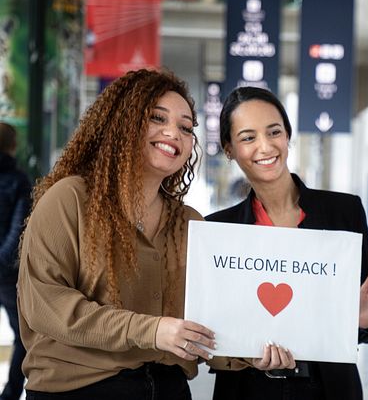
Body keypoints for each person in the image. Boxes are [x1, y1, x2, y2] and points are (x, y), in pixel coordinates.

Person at [17, 69, 218, 399]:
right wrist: (150, 330)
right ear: (124, 123)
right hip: (79, 388)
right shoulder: (71, 198)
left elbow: (212, 316)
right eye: (157, 118)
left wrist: (257, 353)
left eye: (186, 127)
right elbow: (45, 303)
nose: (174, 133)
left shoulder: (189, 222)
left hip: (168, 388)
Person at [206, 86, 368, 400]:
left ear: (287, 136)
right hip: (247, 390)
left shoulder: (344, 212)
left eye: (274, 131)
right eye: (247, 137)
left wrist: (361, 321)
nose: (265, 146)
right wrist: (245, 355)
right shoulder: (218, 230)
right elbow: (210, 335)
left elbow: (362, 322)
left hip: (329, 387)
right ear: (229, 148)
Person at [0, 122, 31, 400]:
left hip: (6, 270)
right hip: (7, 273)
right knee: (23, 335)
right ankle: (10, 394)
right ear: (12, 146)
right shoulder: (19, 180)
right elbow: (19, 228)